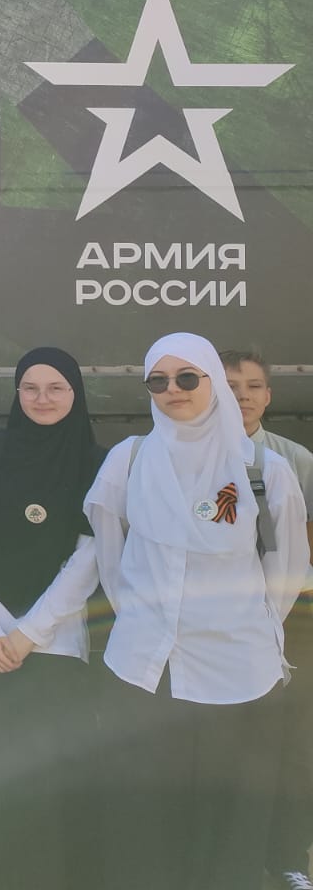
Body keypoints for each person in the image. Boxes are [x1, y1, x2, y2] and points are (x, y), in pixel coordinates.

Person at [91, 334, 308, 890]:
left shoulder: (263, 469)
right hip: (146, 666)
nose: (174, 389)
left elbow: (286, 568)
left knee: (226, 815)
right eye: (158, 380)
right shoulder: (129, 459)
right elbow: (111, 558)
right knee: (146, 813)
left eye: (187, 377)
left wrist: (244, 624)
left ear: (212, 382)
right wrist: (147, 618)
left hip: (237, 669)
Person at [0, 347, 105, 890]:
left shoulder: (96, 462)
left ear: (75, 394)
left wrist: (28, 634)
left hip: (52, 642)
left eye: (56, 388)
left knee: (42, 770)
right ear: (17, 394)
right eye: (30, 388)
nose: (42, 398)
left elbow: (89, 558)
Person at [221, 349, 313, 890]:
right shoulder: (192, 455)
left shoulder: (294, 460)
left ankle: (286, 858)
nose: (243, 396)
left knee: (291, 746)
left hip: (289, 621)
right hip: (217, 623)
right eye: (231, 385)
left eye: (253, 386)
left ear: (269, 395)